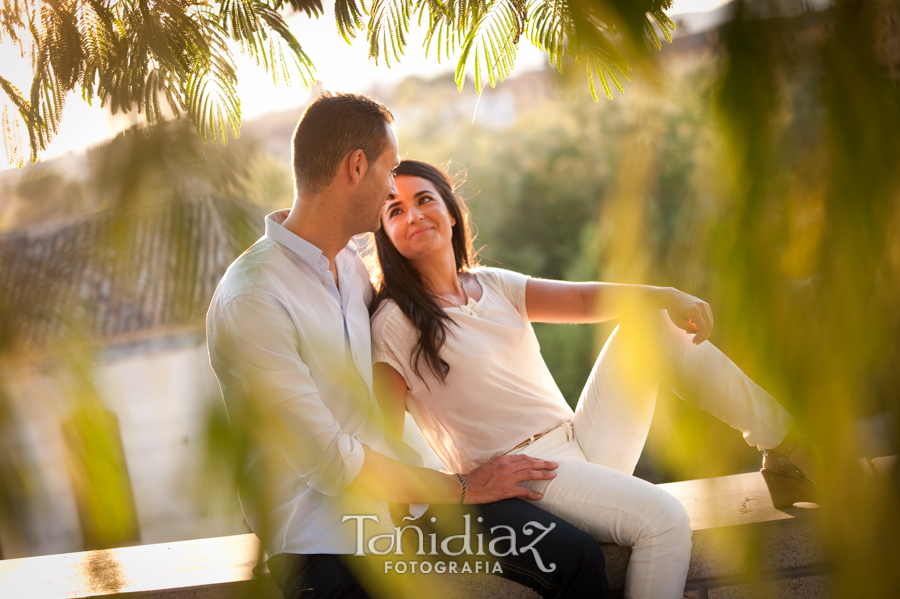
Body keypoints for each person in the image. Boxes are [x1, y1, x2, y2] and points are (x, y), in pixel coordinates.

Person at [206, 94, 610, 599]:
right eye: (389, 169)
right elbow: (332, 462)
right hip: (325, 545)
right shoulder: (254, 299)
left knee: (575, 558)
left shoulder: (349, 268)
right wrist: (465, 487)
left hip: (406, 512)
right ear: (357, 167)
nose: (394, 185)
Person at [369, 160, 817, 599]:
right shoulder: (394, 322)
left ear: (451, 211)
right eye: (394, 210)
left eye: (423, 199)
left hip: (580, 440)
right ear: (385, 233)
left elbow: (583, 299)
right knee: (663, 520)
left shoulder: (491, 284)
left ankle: (785, 448)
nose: (413, 215)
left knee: (653, 323)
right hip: (529, 477)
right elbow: (380, 441)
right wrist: (460, 489)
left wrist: (664, 294)